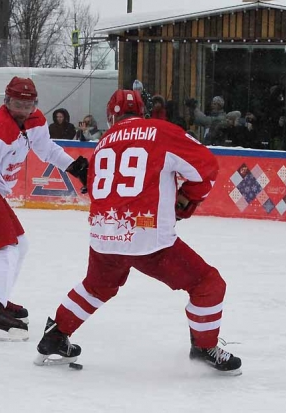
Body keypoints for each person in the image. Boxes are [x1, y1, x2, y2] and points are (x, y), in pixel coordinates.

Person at [35, 89, 242, 375]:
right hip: (147, 235)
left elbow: (98, 189)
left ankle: (56, 334)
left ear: (111, 116)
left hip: (104, 232)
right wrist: (186, 200)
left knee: (97, 286)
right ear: (143, 112)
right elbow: (206, 167)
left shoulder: (103, 142)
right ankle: (204, 346)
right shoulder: (161, 131)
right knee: (208, 283)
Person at [0, 76, 88, 342]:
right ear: (6, 101)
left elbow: (46, 149)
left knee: (20, 244)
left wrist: (74, 167)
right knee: (4, 249)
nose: (23, 111)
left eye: (29, 105)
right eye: (17, 104)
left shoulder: (35, 120)